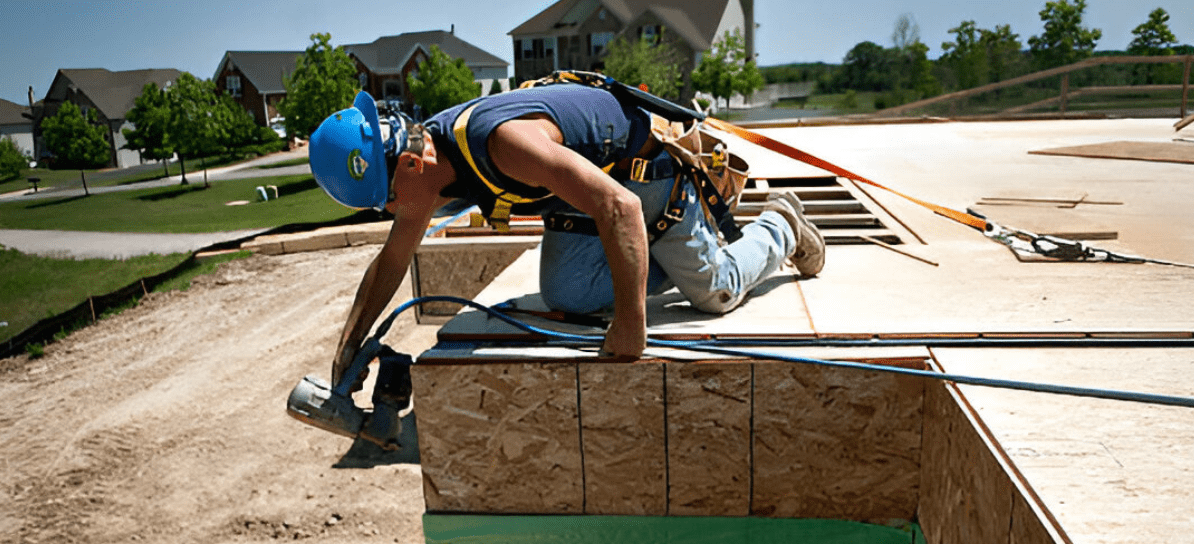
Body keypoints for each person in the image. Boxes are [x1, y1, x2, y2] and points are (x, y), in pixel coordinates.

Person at [308, 83, 825, 385]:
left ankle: (780, 224)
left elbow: (619, 206)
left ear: (405, 162)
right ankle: (654, 256)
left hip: (645, 180)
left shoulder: (502, 143)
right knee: (566, 295)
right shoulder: (429, 168)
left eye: (387, 200)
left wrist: (630, 322)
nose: (393, 213)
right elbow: (392, 261)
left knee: (715, 291)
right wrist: (348, 345)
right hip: (587, 194)